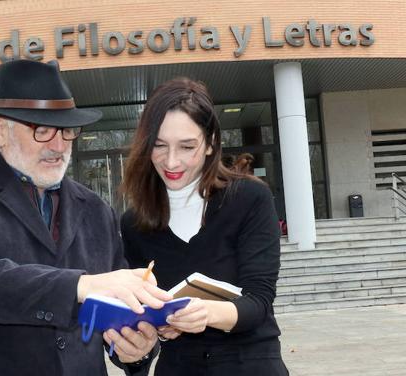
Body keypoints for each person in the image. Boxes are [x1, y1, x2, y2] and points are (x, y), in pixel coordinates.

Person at [0, 59, 172, 376]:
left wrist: (135, 350)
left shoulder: (95, 210)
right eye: (42, 131)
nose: (59, 145)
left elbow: (114, 312)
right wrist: (80, 285)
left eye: (66, 130)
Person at [120, 78, 288, 375]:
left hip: (250, 364)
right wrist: (154, 332)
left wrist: (204, 313)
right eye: (159, 146)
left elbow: (258, 302)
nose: (171, 162)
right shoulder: (135, 223)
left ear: (211, 143)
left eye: (187, 147)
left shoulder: (249, 198)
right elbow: (142, 314)